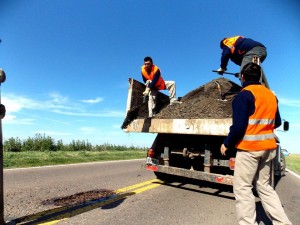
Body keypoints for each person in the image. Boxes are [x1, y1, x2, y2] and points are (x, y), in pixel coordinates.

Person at [220, 62, 292, 225]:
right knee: (265, 187)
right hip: (268, 149)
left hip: (249, 150)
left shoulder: (244, 95)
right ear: (259, 77)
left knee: (243, 188)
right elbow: (278, 122)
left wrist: (227, 143)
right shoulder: (270, 96)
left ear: (243, 77)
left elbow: (238, 127)